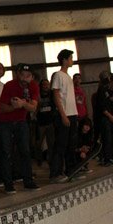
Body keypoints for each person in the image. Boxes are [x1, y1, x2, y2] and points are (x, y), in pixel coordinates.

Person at [0, 63, 40, 194]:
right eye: (22, 75)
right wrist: (15, 107)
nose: (24, 78)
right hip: (5, 122)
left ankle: (28, 181)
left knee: (25, 151)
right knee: (6, 152)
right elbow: (2, 108)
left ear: (31, 77)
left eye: (28, 76)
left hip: (21, 121)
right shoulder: (9, 85)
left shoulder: (33, 86)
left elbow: (33, 107)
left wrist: (23, 104)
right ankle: (8, 184)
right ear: (17, 75)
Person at [49, 49, 79, 182]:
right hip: (64, 115)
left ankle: (70, 171)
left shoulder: (68, 77)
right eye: (70, 58)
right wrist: (63, 115)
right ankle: (55, 174)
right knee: (60, 144)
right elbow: (56, 95)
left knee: (70, 145)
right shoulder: (58, 75)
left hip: (72, 114)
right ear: (64, 60)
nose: (72, 60)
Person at [95, 72, 113, 165]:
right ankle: (107, 158)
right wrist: (110, 116)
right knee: (107, 138)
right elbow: (102, 107)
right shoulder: (103, 90)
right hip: (106, 118)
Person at [34, 77, 54, 165]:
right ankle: (39, 159)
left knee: (51, 143)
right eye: (44, 85)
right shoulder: (37, 95)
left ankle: (51, 160)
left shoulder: (52, 95)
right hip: (40, 123)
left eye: (47, 84)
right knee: (38, 143)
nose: (45, 86)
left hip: (50, 122)